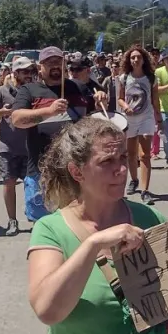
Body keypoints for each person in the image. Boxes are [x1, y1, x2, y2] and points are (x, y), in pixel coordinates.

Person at [26, 117, 168, 334]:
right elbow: (47, 310)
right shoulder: (51, 230)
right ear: (77, 171)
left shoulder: (151, 219)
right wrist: (92, 246)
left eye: (123, 158)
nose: (120, 169)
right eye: (106, 162)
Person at [12, 47, 106, 221]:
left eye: (58, 61)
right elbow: (17, 119)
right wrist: (49, 111)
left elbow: (95, 115)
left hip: (76, 170)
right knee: (44, 226)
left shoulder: (78, 87)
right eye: (49, 62)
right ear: (40, 67)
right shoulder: (29, 90)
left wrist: (100, 99)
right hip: (41, 173)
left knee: (79, 224)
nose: (54, 66)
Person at [0, 57, 33, 236]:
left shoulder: (34, 89)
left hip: (30, 144)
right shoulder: (2, 91)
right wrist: (2, 112)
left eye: (31, 71)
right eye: (25, 72)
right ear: (15, 73)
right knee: (9, 182)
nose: (29, 75)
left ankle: (35, 218)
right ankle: (12, 220)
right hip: (7, 145)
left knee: (32, 184)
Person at [117, 46, 162, 204]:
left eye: (138, 57)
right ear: (129, 60)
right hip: (129, 119)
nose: (135, 60)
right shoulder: (124, 78)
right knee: (131, 153)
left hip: (146, 117)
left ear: (144, 60)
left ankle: (145, 190)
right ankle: (134, 179)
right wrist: (125, 107)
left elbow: (155, 99)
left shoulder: (151, 78)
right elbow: (120, 98)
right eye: (132, 58)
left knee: (145, 155)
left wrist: (159, 118)